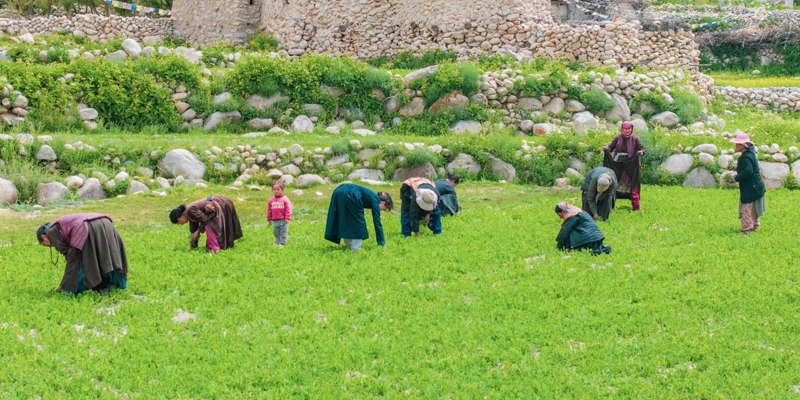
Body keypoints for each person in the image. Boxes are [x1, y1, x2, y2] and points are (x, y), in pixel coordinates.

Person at [36, 213, 128, 295]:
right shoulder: (58, 226)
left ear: (43, 237)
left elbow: (73, 259)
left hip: (88, 227)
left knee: (80, 261)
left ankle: (71, 292)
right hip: (106, 224)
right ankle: (121, 286)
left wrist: (65, 286)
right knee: (110, 257)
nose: (49, 246)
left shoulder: (51, 232)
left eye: (45, 244)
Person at [325, 184, 394, 251]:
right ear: (383, 203)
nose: (381, 210)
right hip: (352, 193)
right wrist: (382, 242)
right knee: (358, 223)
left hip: (339, 190)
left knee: (346, 218)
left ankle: (348, 245)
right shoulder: (376, 200)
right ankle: (355, 248)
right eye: (383, 209)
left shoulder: (372, 196)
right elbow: (377, 222)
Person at [170, 195, 243, 253]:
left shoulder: (190, 210)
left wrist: (198, 231)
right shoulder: (188, 215)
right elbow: (193, 230)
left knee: (210, 226)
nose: (181, 224)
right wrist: (193, 245)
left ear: (179, 219)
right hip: (217, 206)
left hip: (220, 203)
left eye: (179, 223)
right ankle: (221, 247)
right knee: (206, 225)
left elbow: (205, 220)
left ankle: (215, 248)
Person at [603, 121, 645, 211]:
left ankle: (636, 208)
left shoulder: (635, 139)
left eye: (629, 129)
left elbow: (642, 148)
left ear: (631, 129)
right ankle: (610, 206)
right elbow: (611, 147)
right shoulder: (618, 138)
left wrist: (641, 152)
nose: (627, 131)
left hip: (631, 165)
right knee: (614, 184)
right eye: (625, 129)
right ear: (622, 129)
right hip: (618, 165)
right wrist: (606, 148)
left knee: (633, 185)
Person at [729, 133, 766, 234]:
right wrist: (736, 168)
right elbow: (749, 168)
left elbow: (748, 171)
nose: (736, 146)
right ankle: (755, 227)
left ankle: (746, 229)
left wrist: (735, 178)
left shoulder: (745, 157)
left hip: (751, 187)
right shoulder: (750, 155)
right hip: (756, 186)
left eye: (737, 144)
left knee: (747, 209)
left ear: (743, 145)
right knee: (754, 208)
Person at [267, 182, 292, 247]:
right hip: (275, 220)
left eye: (278, 189)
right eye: (274, 189)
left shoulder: (285, 199)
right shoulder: (271, 200)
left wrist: (287, 218)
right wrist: (269, 219)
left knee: (283, 232)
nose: (276, 191)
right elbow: (269, 210)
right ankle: (277, 241)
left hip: (283, 219)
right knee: (276, 232)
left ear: (283, 190)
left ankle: (282, 243)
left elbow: (288, 209)